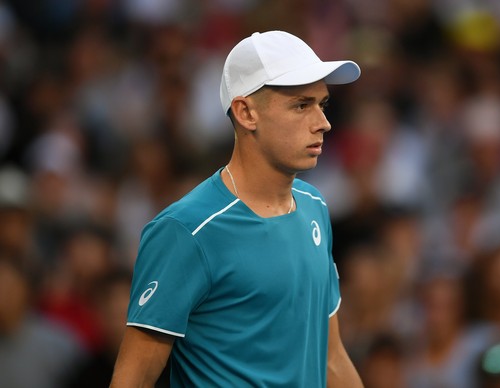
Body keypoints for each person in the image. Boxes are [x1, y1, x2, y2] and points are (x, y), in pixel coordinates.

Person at [110, 30, 363, 387]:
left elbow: (331, 358)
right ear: (246, 112)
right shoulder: (185, 230)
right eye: (301, 104)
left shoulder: (315, 207)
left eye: (322, 104)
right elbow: (132, 379)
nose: (323, 122)